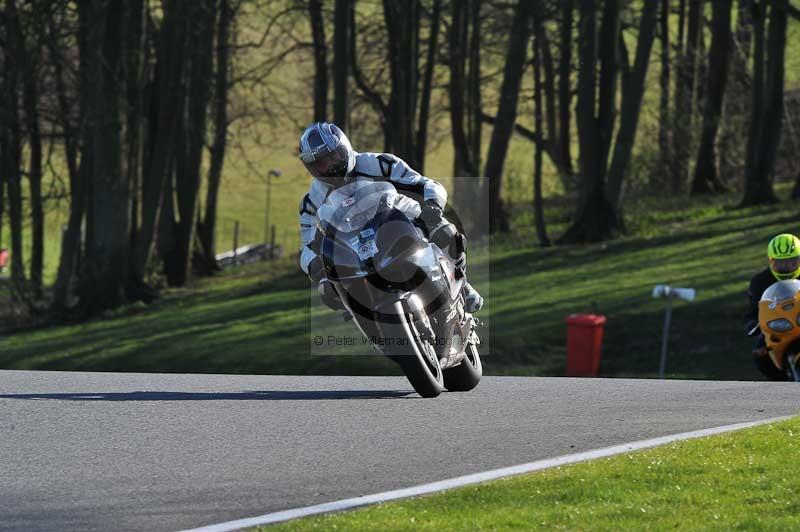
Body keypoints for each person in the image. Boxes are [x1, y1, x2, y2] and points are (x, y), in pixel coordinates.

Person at [297, 121, 483, 313]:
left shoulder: (380, 164)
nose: (328, 168)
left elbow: (426, 184)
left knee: (446, 233)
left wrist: (432, 206)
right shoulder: (311, 202)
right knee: (328, 290)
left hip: (400, 221)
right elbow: (307, 246)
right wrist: (315, 266)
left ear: (344, 148)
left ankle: (462, 283)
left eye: (332, 157)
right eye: (319, 164)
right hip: (355, 249)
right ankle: (372, 327)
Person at [743, 233, 800, 380]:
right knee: (759, 354)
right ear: (770, 261)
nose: (786, 268)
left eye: (792, 262)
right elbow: (752, 312)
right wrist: (752, 325)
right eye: (779, 263)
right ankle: (778, 387)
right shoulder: (760, 281)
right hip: (778, 326)